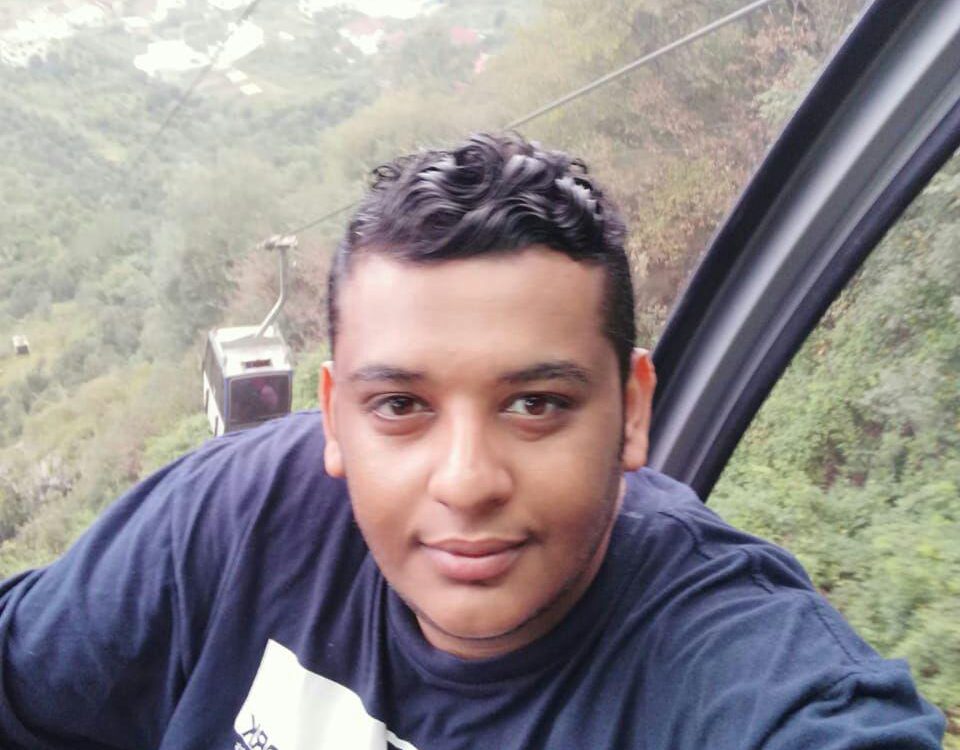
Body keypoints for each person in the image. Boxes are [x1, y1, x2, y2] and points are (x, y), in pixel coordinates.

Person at [0, 133, 945, 749]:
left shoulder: (735, 670)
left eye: (535, 404)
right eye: (399, 406)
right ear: (333, 418)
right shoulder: (233, 519)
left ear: (632, 411)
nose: (465, 482)